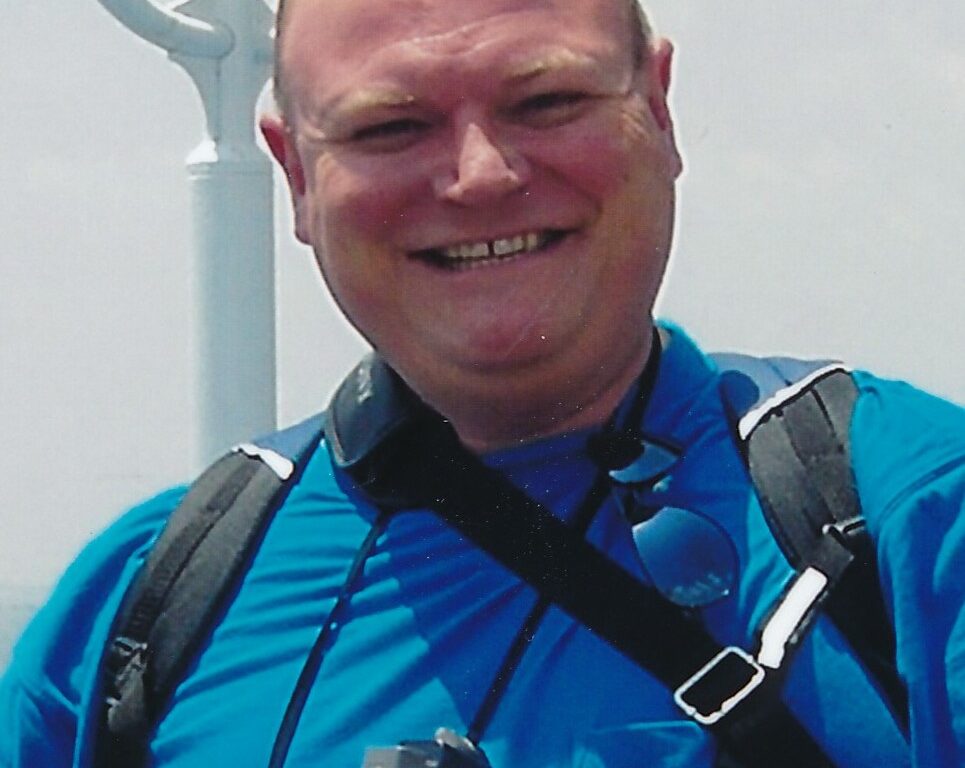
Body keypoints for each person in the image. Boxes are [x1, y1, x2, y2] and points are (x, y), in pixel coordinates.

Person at [1, 0, 963, 766]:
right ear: (295, 173)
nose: (481, 175)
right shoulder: (139, 607)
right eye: (391, 126)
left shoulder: (909, 518)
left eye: (547, 103)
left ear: (660, 111)